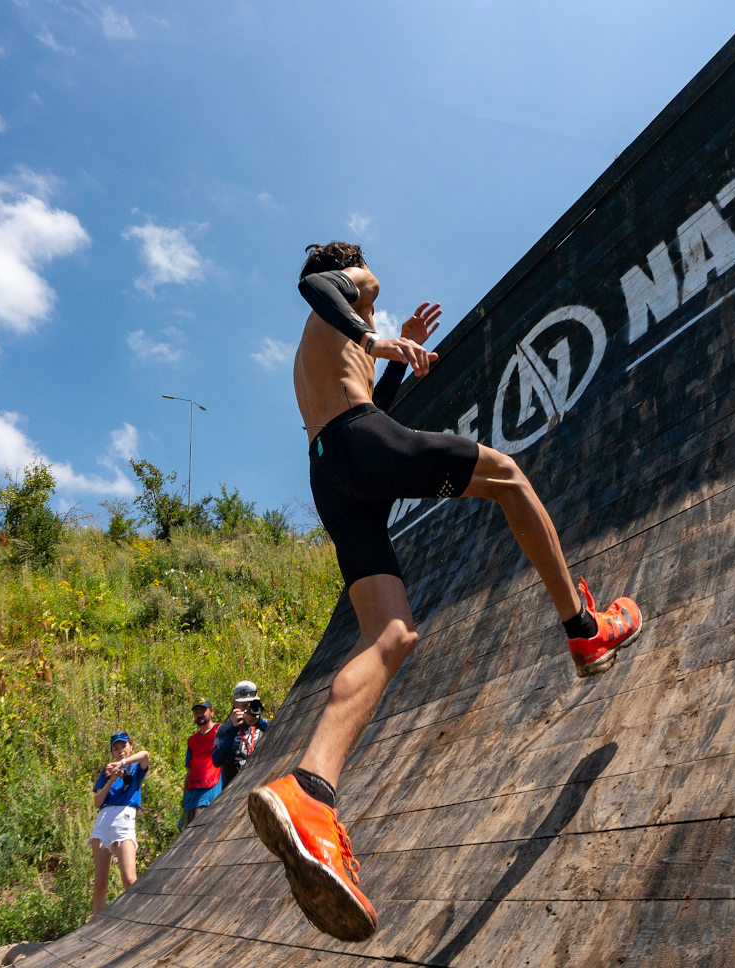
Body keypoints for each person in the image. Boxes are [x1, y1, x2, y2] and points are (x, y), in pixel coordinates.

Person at [247, 242, 645, 942]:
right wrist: (375, 330)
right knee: (510, 477)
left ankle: (309, 793)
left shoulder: (324, 353)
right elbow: (316, 285)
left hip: (330, 474)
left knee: (391, 634)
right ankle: (584, 627)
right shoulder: (348, 290)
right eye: (369, 292)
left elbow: (368, 403)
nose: (374, 295)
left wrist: (396, 356)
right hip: (358, 444)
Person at [89, 731, 150, 916]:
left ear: (130, 746)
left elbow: (146, 755)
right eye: (116, 748)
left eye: (123, 746)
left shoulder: (135, 767)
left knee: (130, 879)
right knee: (100, 882)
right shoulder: (107, 772)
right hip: (104, 819)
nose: (120, 750)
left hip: (124, 818)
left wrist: (123, 764)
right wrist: (112, 778)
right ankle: (96, 926)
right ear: (112, 751)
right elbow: (97, 802)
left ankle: (137, 919)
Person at [212, 681, 271, 788]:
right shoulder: (224, 729)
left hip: (261, 786)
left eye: (251, 705)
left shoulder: (264, 725)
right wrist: (233, 729)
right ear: (235, 704)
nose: (247, 710)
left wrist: (259, 723)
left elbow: (281, 740)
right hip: (233, 790)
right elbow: (216, 760)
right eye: (244, 705)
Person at [179, 699, 222, 830]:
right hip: (191, 794)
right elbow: (189, 770)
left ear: (211, 711)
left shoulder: (220, 730)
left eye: (203, 711)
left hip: (210, 789)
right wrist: (184, 796)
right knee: (187, 838)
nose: (199, 714)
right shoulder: (192, 740)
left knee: (202, 832)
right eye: (196, 712)